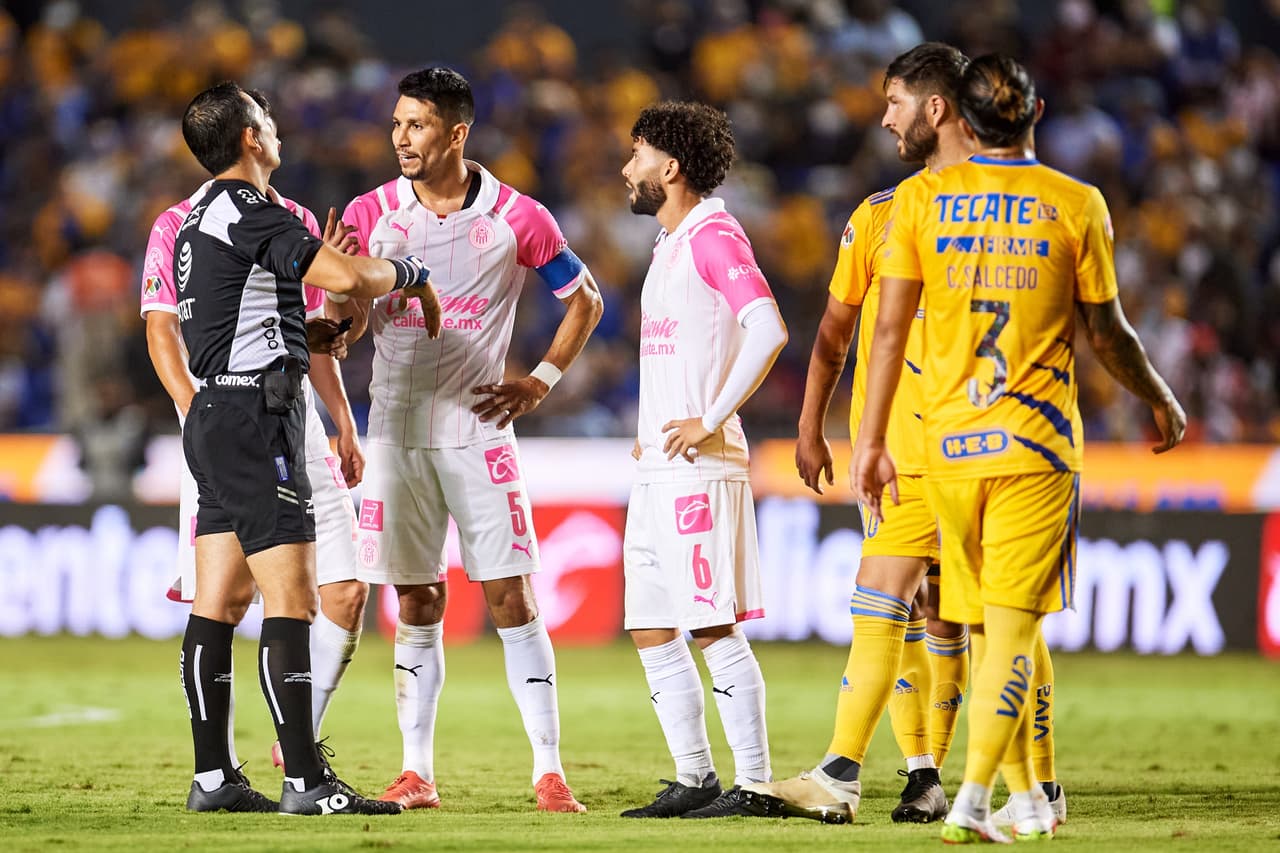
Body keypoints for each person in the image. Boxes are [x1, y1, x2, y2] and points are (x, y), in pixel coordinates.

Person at [852, 54, 1185, 843]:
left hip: (947, 447)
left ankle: (1030, 795)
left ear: (961, 116)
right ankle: (977, 795)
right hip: (1034, 446)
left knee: (979, 627)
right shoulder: (1076, 202)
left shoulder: (921, 202)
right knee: (1012, 627)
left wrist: (870, 440)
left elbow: (888, 331)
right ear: (1036, 113)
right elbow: (1107, 331)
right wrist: (1159, 395)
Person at [331, 66, 602, 813]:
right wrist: (340, 302)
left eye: (416, 125)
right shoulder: (370, 211)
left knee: (511, 594)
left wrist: (540, 380)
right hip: (394, 428)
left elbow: (586, 299)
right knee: (415, 598)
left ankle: (549, 771)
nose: (401, 138)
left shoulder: (519, 216)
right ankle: (416, 771)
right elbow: (347, 320)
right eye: (395, 124)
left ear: (457, 132)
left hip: (477, 428)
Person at [173, 80, 439, 816]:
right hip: (257, 419)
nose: (276, 126)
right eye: (266, 117)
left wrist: (306, 333)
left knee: (221, 600)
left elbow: (237, 313)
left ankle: (213, 779)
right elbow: (348, 275)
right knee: (293, 598)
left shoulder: (200, 216)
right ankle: (305, 781)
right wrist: (412, 273)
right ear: (250, 138)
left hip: (219, 410)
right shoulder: (248, 209)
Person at [741, 42, 972, 827]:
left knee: (909, 606)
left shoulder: (917, 213)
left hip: (924, 453)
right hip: (929, 450)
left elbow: (875, 337)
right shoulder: (883, 215)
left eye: (895, 102)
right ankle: (932, 775)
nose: (884, 119)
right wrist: (810, 425)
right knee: (934, 613)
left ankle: (846, 773)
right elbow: (836, 333)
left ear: (935, 107)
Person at [143, 178, 371, 779]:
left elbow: (320, 330)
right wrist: (195, 409)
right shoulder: (176, 223)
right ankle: (282, 773)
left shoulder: (293, 215)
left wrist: (344, 421)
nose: (278, 137)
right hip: (234, 419)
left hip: (294, 419)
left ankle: (262, 761)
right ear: (249, 137)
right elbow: (161, 328)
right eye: (269, 130)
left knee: (345, 591)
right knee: (247, 598)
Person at [618, 101, 787, 819]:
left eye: (637, 154)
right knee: (651, 623)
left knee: (712, 624)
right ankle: (696, 777)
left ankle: (756, 784)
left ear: (671, 166)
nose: (627, 168)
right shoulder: (670, 243)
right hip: (659, 466)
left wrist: (708, 418)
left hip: (701, 466)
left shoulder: (715, 235)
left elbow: (767, 328)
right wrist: (652, 423)